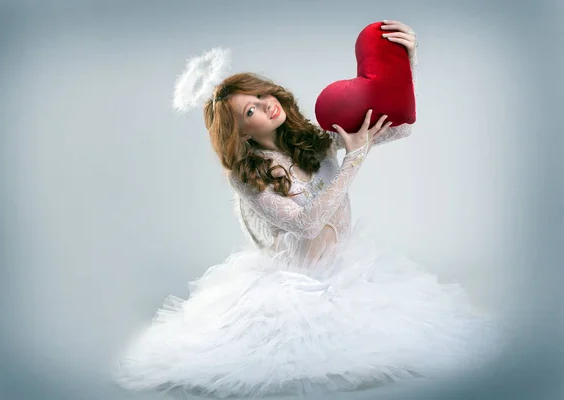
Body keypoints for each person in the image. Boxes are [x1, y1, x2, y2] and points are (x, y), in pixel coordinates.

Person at [112, 20, 501, 398]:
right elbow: (305, 223)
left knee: (419, 338)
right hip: (297, 287)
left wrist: (404, 61)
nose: (266, 106)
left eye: (262, 96)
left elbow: (400, 126)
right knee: (285, 360)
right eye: (250, 112)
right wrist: (353, 162)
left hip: (351, 273)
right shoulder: (248, 174)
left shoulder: (314, 140)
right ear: (242, 132)